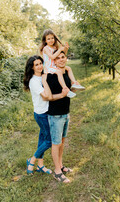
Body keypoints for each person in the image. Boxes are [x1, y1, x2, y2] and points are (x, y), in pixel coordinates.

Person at [23, 55, 68, 175]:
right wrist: (61, 95)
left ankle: (40, 165)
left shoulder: (44, 75)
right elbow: (47, 96)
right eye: (36, 65)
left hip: (47, 112)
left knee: (42, 137)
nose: (39, 66)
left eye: (40, 63)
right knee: (49, 140)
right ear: (32, 68)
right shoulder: (34, 81)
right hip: (41, 114)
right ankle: (32, 160)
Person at [46, 51, 77, 183]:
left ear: (66, 58)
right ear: (54, 61)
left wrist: (74, 88)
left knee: (62, 142)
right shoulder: (51, 76)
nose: (60, 60)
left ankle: (61, 165)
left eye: (62, 57)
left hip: (66, 113)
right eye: (57, 58)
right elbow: (49, 97)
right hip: (55, 115)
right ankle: (57, 172)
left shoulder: (66, 73)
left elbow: (70, 90)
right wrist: (63, 94)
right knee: (56, 143)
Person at [40, 29, 85, 98]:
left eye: (52, 38)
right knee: (59, 72)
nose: (51, 40)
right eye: (48, 39)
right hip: (49, 68)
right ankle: (65, 88)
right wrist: (60, 49)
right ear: (45, 41)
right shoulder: (46, 48)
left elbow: (62, 55)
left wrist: (66, 49)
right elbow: (52, 57)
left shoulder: (55, 47)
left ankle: (74, 83)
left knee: (68, 68)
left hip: (55, 66)